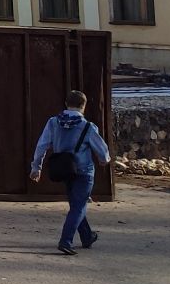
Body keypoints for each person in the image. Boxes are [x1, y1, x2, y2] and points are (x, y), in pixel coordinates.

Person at [30, 89, 112, 255]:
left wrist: (36, 167)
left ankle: (87, 236)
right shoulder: (87, 126)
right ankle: (66, 241)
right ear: (84, 106)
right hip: (84, 170)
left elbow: (41, 146)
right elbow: (103, 152)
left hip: (64, 169)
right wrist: (104, 160)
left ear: (66, 104)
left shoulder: (53, 122)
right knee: (79, 206)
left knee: (76, 204)